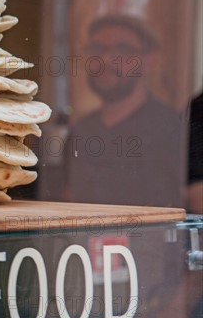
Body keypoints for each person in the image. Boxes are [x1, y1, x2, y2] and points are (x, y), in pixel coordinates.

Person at [65, 15, 187, 207]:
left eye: (123, 49)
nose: (105, 59)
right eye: (97, 48)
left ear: (150, 62)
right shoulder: (81, 130)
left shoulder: (176, 130)